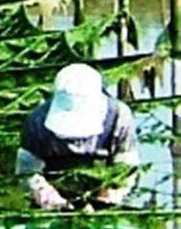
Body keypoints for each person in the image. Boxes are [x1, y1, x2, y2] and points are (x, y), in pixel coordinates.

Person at [15, 63, 139, 210]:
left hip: (104, 196)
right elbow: (27, 172)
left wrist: (106, 198)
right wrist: (52, 201)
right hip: (52, 200)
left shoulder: (118, 117)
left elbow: (126, 168)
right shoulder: (37, 122)